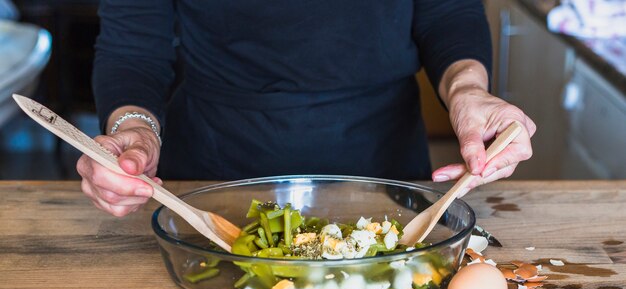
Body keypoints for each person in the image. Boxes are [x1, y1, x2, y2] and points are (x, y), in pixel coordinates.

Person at [79, 0, 536, 217]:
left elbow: (447, 14)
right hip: (213, 178)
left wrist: (468, 91)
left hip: (384, 168)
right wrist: (134, 130)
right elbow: (134, 49)